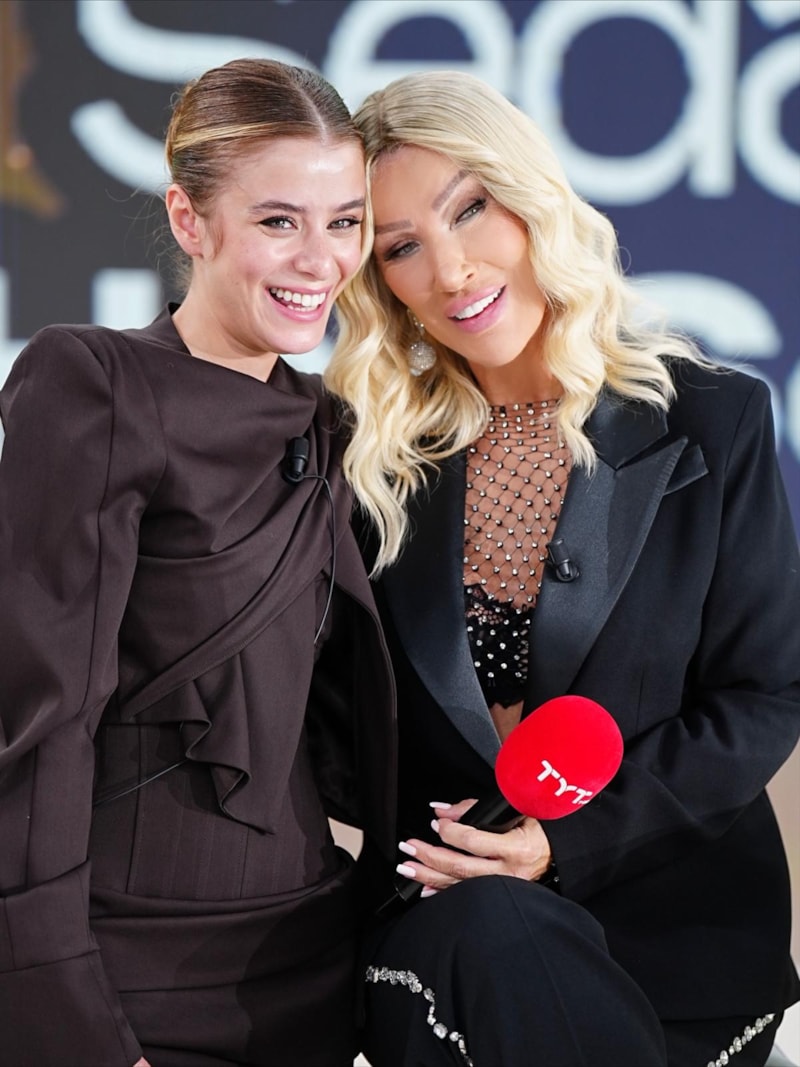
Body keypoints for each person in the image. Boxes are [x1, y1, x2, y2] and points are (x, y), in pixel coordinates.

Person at [324, 70, 800, 1067]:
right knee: (495, 926)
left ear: (529, 198)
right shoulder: (368, 469)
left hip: (679, 949)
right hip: (452, 937)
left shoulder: (712, 421)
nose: (450, 269)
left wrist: (559, 844)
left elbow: (763, 697)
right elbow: (327, 729)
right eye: (401, 246)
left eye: (470, 208)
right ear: (378, 281)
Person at [0, 58, 397, 1067]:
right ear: (189, 219)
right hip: (128, 972)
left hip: (308, 967)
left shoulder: (333, 428)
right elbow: (39, 724)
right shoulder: (94, 383)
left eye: (345, 222)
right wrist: (66, 1015)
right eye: (278, 220)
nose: (319, 259)